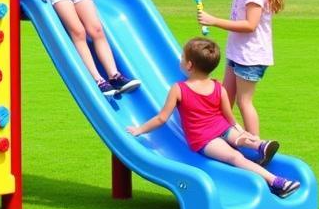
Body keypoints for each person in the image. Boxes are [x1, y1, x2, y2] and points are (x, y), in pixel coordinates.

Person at [126, 37, 299, 197]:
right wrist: (239, 130)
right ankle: (259, 145)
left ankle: (275, 181)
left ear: (189, 65)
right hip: (223, 127)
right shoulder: (218, 87)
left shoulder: (179, 89)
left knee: (235, 158)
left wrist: (139, 129)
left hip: (204, 139)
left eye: (182, 57)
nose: (180, 60)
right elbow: (229, 117)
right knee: (239, 140)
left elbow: (162, 118)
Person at [179, 0, 284, 136]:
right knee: (225, 97)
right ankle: (224, 133)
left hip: (251, 56)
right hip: (238, 52)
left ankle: (256, 145)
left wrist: (214, 20)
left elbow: (250, 25)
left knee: (245, 103)